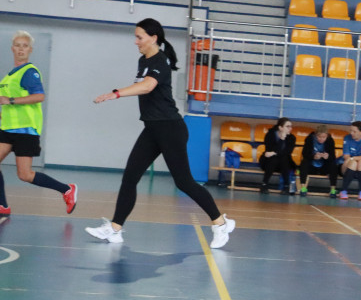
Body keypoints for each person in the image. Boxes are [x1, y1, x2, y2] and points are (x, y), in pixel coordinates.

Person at [85, 18, 234, 248]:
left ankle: (220, 222)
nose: (136, 41)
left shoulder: (160, 60)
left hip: (170, 128)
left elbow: (147, 86)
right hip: (153, 128)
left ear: (153, 38)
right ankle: (115, 229)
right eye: (135, 37)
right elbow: (143, 85)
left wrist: (115, 93)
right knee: (130, 177)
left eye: (139, 37)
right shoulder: (142, 60)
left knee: (184, 182)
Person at [0, 30, 77, 216]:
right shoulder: (9, 76)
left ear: (30, 50)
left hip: (25, 130)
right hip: (7, 129)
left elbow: (39, 96)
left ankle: (67, 189)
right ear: (12, 48)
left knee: (24, 175)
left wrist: (10, 101)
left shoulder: (29, 72)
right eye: (17, 45)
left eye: (24, 46)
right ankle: (2, 205)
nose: (20, 49)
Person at [258, 117, 296, 194]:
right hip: (268, 162)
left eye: (291, 126)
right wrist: (281, 139)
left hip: (283, 164)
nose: (290, 128)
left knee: (283, 158)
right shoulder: (270, 135)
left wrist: (275, 152)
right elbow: (269, 149)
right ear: (280, 127)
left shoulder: (292, 138)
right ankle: (264, 184)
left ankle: (286, 186)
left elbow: (287, 152)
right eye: (287, 126)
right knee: (274, 159)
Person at [298, 124, 338, 196]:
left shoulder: (330, 141)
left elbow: (333, 156)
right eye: (319, 137)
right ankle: (303, 187)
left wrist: (327, 156)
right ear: (316, 135)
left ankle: (333, 189)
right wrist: (313, 156)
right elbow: (305, 153)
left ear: (327, 136)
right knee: (304, 162)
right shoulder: (309, 139)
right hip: (311, 166)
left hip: (323, 167)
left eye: (324, 137)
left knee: (333, 164)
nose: (321, 139)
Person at [338, 120, 361, 200]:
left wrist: (353, 158)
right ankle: (344, 191)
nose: (351, 133)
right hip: (347, 167)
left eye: (354, 131)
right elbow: (346, 157)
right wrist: (354, 159)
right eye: (351, 131)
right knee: (353, 163)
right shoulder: (347, 138)